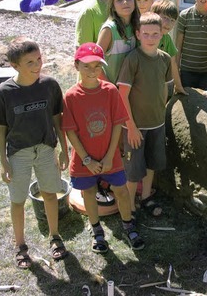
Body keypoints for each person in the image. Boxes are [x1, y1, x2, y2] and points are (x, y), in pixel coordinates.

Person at [0, 37, 69, 269]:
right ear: (15, 66)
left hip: (45, 149)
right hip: (18, 153)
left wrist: (63, 149)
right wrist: (4, 161)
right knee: (18, 200)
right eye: (30, 62)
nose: (37, 66)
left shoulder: (50, 85)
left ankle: (55, 236)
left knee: (50, 194)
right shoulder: (5, 93)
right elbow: (1, 129)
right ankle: (20, 245)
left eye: (39, 59)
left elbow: (57, 120)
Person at [62, 43, 145, 252]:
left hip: (110, 155)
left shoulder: (110, 91)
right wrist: (87, 160)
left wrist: (110, 156)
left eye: (97, 66)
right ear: (76, 66)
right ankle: (97, 230)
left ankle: (128, 225)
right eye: (86, 66)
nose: (92, 71)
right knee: (88, 192)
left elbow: (118, 123)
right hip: (84, 158)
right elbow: (70, 131)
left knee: (122, 191)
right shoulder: (71, 96)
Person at [117, 12, 173, 218]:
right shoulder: (133, 59)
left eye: (155, 34)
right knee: (133, 170)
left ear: (162, 36)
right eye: (146, 34)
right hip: (135, 127)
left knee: (152, 164)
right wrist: (130, 126)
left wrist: (162, 111)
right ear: (138, 34)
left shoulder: (165, 59)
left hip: (157, 124)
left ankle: (146, 196)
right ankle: (130, 205)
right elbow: (122, 95)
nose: (151, 38)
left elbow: (165, 89)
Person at [96, 0, 139, 84]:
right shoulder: (109, 30)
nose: (125, 2)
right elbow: (95, 62)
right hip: (111, 89)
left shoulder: (136, 26)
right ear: (113, 6)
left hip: (130, 87)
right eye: (119, 0)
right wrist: (110, 88)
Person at [151, 0, 186, 96]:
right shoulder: (145, 35)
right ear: (154, 15)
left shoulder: (167, 39)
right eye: (165, 17)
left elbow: (173, 63)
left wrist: (178, 86)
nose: (169, 23)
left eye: (172, 20)